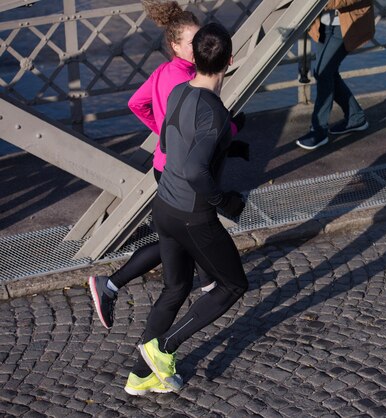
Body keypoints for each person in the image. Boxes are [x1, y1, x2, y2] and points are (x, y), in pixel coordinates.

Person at [88, 1, 246, 334]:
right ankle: (114, 285)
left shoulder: (164, 73)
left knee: (175, 243)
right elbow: (202, 139)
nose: (199, 48)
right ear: (175, 45)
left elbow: (136, 103)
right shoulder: (189, 80)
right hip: (183, 171)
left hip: (168, 165)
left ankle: (129, 292)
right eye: (193, 42)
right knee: (183, 237)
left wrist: (162, 130)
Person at [126, 22, 248, 395]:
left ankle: (140, 376)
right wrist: (223, 201)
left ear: (193, 58)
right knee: (232, 285)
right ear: (230, 60)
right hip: (194, 215)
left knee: (175, 288)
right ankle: (162, 348)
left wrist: (227, 149)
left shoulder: (179, 91)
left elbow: (168, 137)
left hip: (164, 205)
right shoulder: (214, 113)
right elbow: (197, 169)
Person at [296, 0, 375, 150]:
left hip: (347, 25)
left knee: (324, 73)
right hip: (323, 24)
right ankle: (355, 118)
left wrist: (323, 3)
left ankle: (319, 131)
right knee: (328, 73)